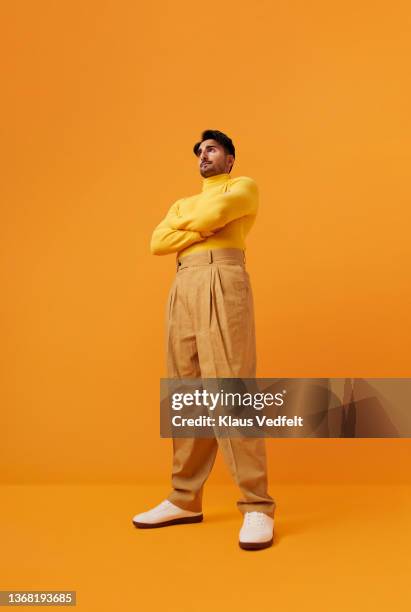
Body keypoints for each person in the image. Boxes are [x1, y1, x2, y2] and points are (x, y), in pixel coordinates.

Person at [132, 129, 276, 550]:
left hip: (223, 277)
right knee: (186, 390)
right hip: (184, 284)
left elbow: (211, 217)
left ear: (230, 159)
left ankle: (256, 505)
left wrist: (188, 227)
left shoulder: (242, 187)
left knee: (230, 387)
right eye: (199, 151)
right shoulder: (185, 202)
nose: (203, 156)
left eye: (211, 149)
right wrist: (197, 224)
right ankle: (184, 498)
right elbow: (158, 243)